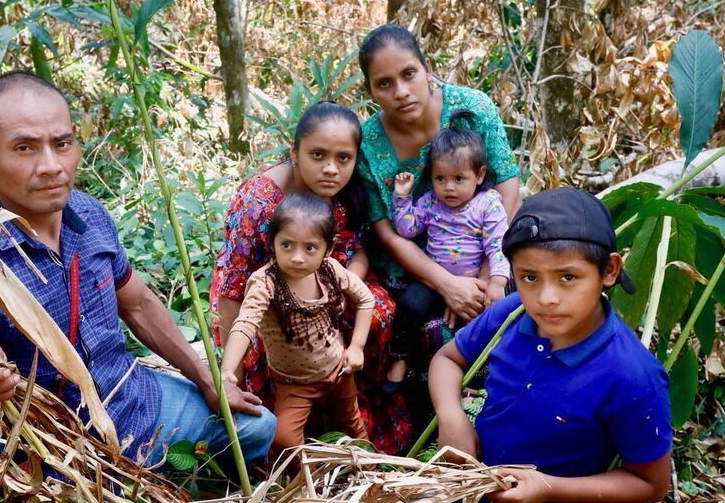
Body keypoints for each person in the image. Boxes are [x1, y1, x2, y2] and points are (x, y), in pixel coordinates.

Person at [0, 71, 276, 467]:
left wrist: (208, 380)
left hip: (134, 402)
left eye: (62, 144)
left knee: (256, 428)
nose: (50, 165)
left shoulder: (89, 215)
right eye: (25, 148)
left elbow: (138, 305)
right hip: (56, 449)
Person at [429, 188, 673, 503]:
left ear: (609, 270)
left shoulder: (631, 375)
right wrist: (451, 416)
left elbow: (651, 484)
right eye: (529, 277)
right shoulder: (511, 315)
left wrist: (548, 487)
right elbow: (447, 359)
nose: (546, 298)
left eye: (568, 277)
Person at [210, 101, 413, 454]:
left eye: (343, 159)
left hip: (323, 288)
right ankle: (290, 442)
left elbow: (358, 247)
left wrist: (342, 286)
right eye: (317, 155)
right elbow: (232, 291)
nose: (331, 169)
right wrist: (232, 377)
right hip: (264, 307)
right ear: (295, 151)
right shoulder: (259, 201)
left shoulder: (344, 192)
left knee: (375, 310)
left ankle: (355, 422)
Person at [356, 24, 521, 363]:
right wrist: (447, 284)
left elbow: (509, 197)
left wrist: (481, 281)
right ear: (370, 91)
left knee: (505, 326)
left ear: (427, 68)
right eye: (384, 84)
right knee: (429, 334)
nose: (401, 91)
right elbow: (386, 233)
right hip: (411, 272)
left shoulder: (474, 110)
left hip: (490, 255)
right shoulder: (367, 144)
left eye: (409, 74)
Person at [220, 194, 373, 453]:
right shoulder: (265, 282)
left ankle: (371, 470)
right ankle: (303, 482)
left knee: (352, 425)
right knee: (284, 441)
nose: (298, 257)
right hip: (294, 382)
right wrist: (227, 370)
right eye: (287, 245)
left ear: (328, 247)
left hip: (338, 371)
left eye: (310, 248)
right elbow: (245, 323)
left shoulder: (330, 270)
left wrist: (356, 346)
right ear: (272, 244)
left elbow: (365, 299)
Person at [385, 116, 510, 388]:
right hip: (434, 281)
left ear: (479, 175)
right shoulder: (431, 202)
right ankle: (400, 357)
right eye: (440, 178)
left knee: (484, 323)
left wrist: (497, 282)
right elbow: (407, 229)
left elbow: (498, 243)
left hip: (474, 282)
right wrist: (403, 197)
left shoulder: (487, 204)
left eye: (458, 178)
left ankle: (481, 374)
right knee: (409, 305)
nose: (449, 187)